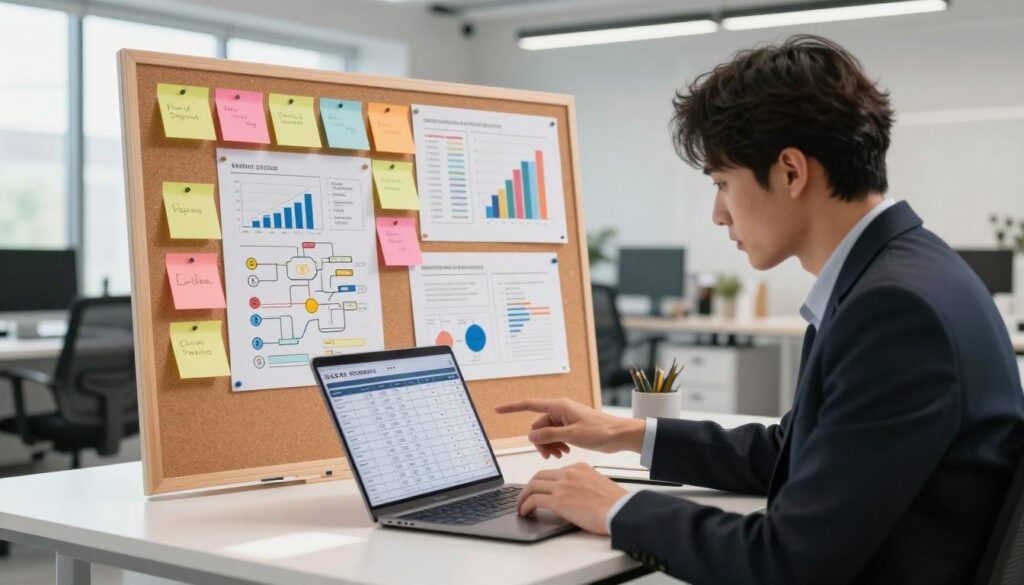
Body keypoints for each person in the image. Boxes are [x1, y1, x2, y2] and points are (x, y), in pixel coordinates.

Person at [496, 35, 1024, 584]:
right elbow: (792, 451)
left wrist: (615, 508)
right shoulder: (903, 271)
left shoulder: (895, 311)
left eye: (723, 183)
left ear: (791, 172)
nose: (718, 214)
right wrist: (627, 433)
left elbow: (788, 563)